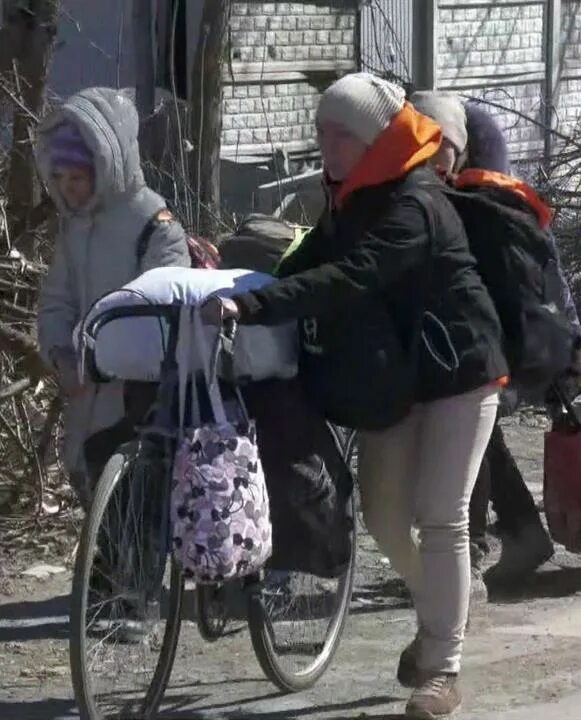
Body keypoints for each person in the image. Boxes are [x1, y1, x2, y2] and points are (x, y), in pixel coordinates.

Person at [205, 72, 507, 720]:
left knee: (441, 515)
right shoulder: (349, 194)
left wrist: (256, 304)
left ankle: (441, 668)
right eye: (319, 131)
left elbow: (353, 275)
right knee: (382, 516)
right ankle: (443, 613)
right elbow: (309, 256)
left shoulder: (414, 202)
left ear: (372, 138)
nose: (324, 144)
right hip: (394, 382)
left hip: (462, 373)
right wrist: (229, 276)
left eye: (337, 133)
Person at [410, 92, 581, 585]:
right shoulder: (438, 198)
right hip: (476, 346)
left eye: (438, 147)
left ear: (460, 148)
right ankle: (518, 533)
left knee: (472, 421)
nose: (428, 157)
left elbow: (546, 277)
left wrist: (575, 342)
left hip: (511, 348)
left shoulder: (487, 202)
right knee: (478, 431)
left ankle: (470, 547)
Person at [34, 87, 190, 504]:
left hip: (138, 406)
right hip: (86, 402)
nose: (68, 189)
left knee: (135, 518)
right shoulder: (75, 228)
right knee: (96, 509)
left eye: (78, 178)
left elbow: (161, 322)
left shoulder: (156, 228)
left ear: (107, 166)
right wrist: (61, 357)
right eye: (60, 178)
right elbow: (56, 303)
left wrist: (101, 362)